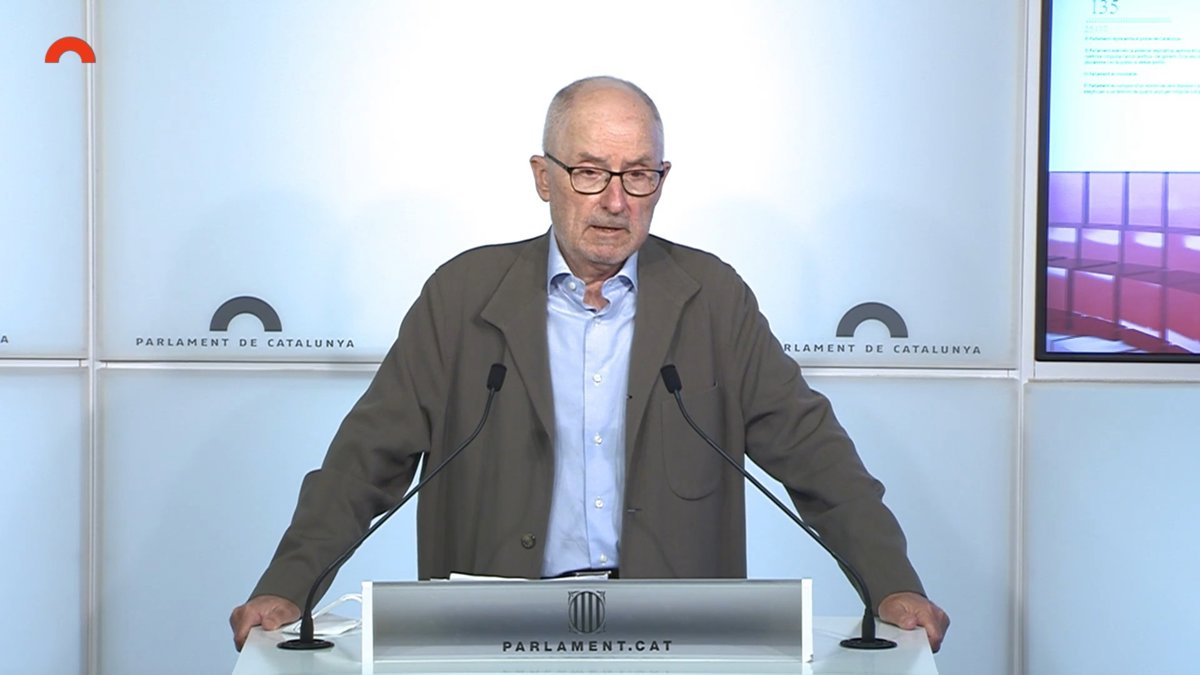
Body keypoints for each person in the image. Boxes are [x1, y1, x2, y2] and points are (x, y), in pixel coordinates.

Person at [230, 76, 949, 652]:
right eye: (589, 172)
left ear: (662, 180)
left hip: (674, 631)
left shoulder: (712, 298)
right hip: (493, 629)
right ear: (543, 177)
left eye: (638, 176)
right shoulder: (462, 295)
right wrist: (290, 586)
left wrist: (891, 582)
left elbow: (815, 455)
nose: (614, 201)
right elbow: (365, 462)